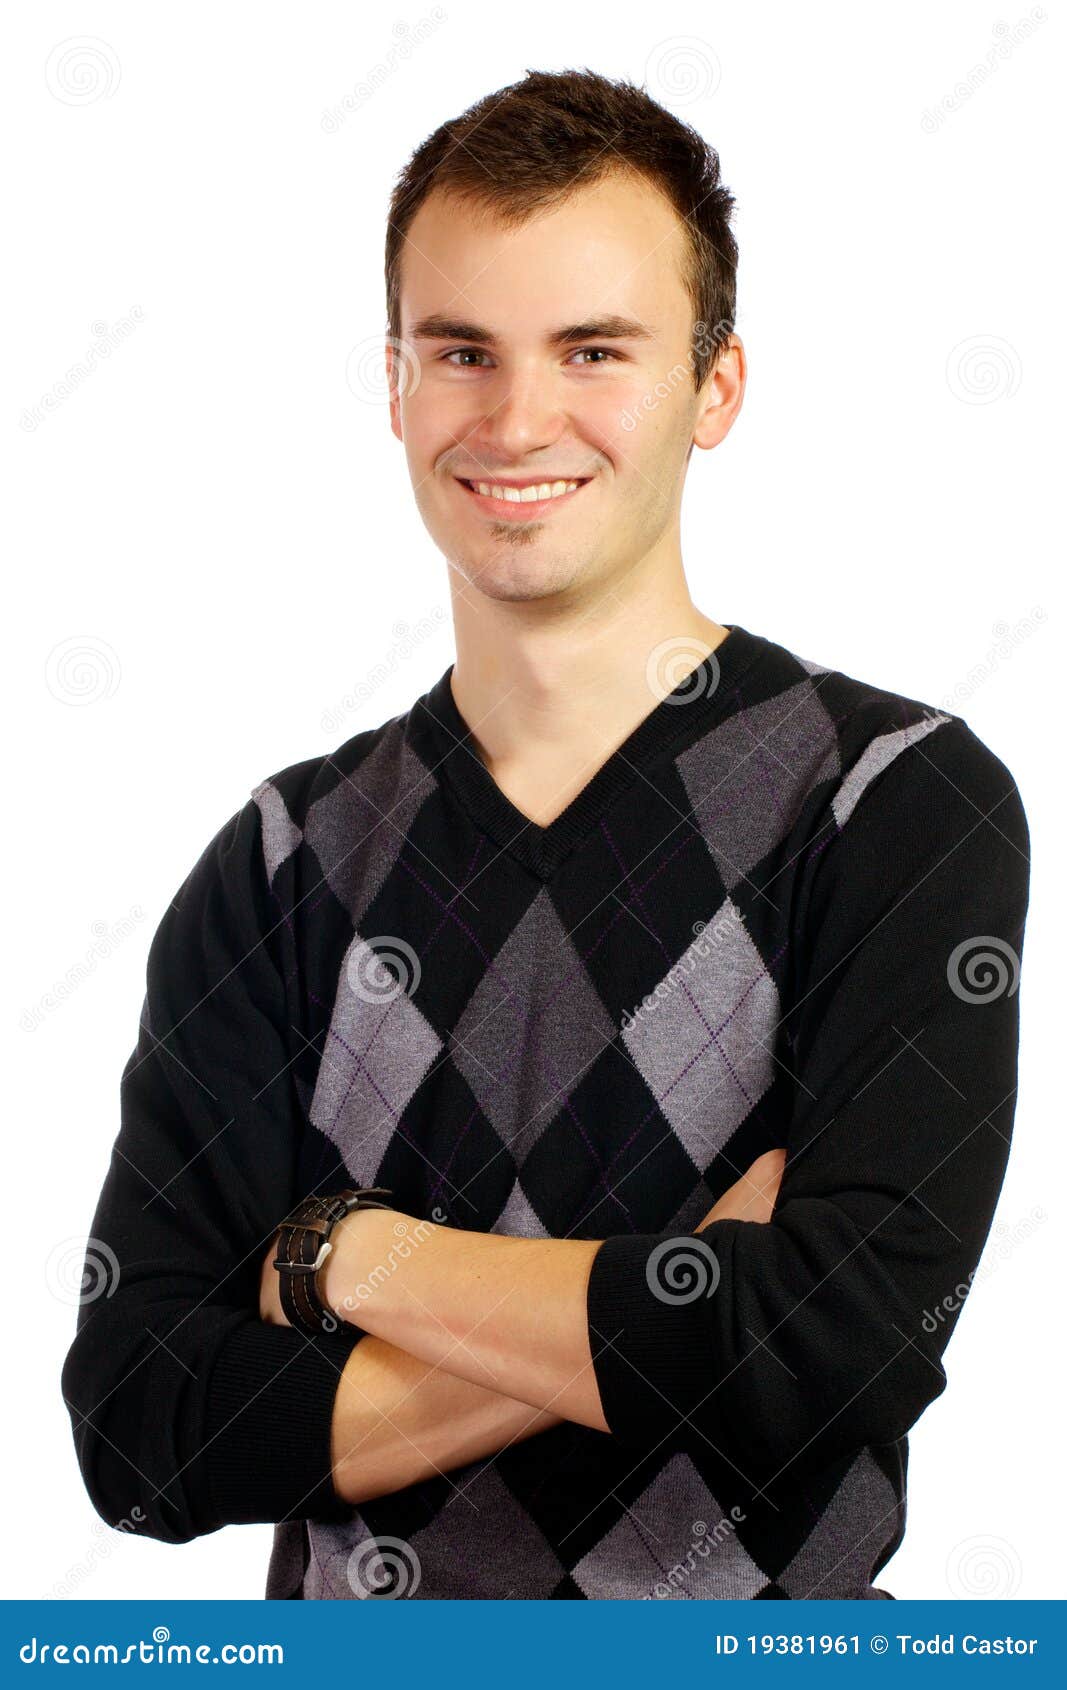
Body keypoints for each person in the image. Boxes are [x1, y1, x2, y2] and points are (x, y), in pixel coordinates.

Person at [62, 68, 1030, 1601]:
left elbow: (842, 1349)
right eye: (461, 351)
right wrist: (686, 1306)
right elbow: (139, 1427)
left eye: (595, 350)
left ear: (716, 388)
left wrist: (345, 1261)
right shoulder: (278, 860)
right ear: (393, 384)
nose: (518, 419)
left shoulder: (888, 798)